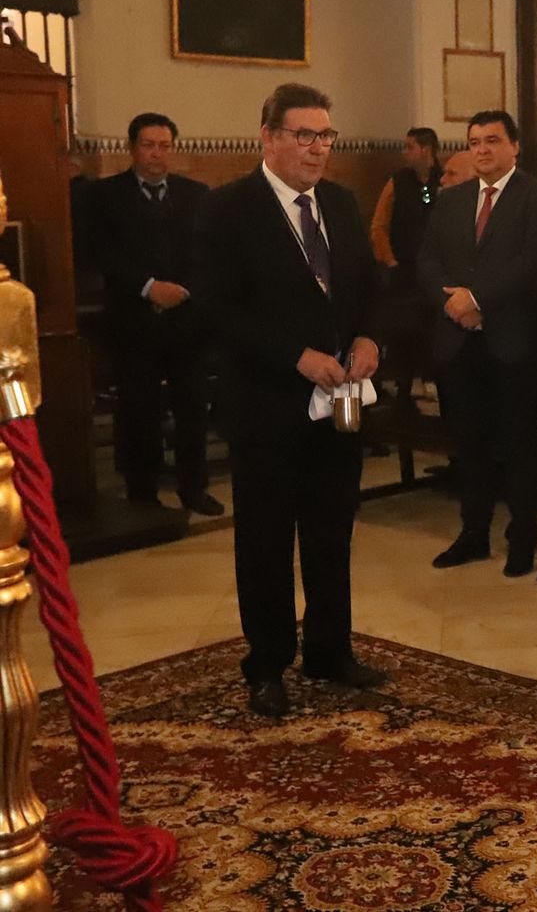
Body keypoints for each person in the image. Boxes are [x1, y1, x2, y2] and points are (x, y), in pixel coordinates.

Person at [194, 83, 386, 717]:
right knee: (267, 538)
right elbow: (219, 310)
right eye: (304, 135)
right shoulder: (229, 208)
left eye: (326, 135)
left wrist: (367, 337)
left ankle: (330, 649)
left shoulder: (341, 202)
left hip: (341, 402)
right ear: (268, 136)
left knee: (333, 531)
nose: (318, 148)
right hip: (267, 404)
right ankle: (267, 663)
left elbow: (365, 286)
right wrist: (295, 356)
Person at [417, 110, 537, 578]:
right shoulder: (453, 199)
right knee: (470, 445)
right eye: (475, 141)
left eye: (493, 140)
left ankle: (521, 539)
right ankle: (472, 534)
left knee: (519, 446)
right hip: (459, 341)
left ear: (514, 146)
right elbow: (428, 258)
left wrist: (478, 298)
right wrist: (453, 303)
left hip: (513, 341)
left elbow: (532, 262)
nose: (482, 149)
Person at [85, 112, 222, 515]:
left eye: (164, 146)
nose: (156, 154)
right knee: (138, 408)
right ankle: (142, 491)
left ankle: (193, 487)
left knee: (191, 406)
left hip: (185, 319)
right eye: (148, 145)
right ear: (132, 149)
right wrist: (148, 287)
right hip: (133, 318)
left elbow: (208, 251)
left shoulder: (196, 194)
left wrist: (184, 290)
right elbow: (101, 253)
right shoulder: (104, 195)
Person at [368, 126, 442, 407]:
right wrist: (390, 261)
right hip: (403, 270)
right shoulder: (397, 181)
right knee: (403, 329)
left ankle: (431, 378)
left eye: (409, 147)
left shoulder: (445, 180)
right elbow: (379, 226)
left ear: (426, 149)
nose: (405, 152)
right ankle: (403, 385)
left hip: (435, 272)